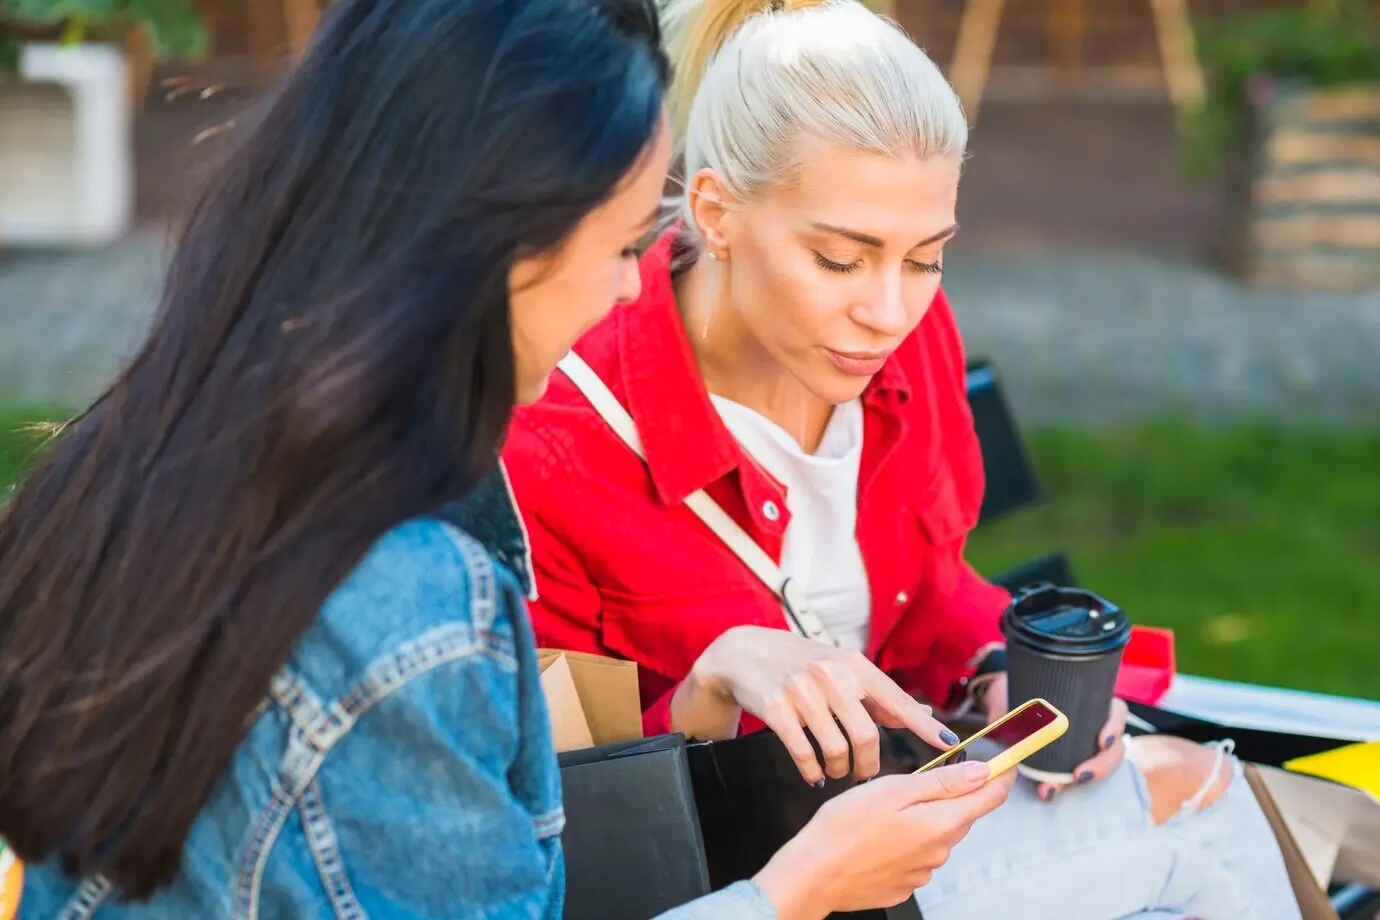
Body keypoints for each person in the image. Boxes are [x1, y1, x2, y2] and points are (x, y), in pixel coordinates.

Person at [0, 0, 1018, 917]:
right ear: (501, 247)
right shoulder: (412, 591)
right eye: (624, 247)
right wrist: (797, 889)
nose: (632, 295)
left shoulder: (160, 444)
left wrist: (703, 703)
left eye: (923, 258)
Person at [501, 1, 1306, 917]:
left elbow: (924, 596)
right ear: (717, 214)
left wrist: (997, 667)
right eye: (842, 260)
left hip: (904, 816)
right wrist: (706, 690)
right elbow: (552, 806)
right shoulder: (556, 441)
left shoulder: (902, 347)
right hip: (756, 883)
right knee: (1200, 811)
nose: (889, 311)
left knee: (1199, 802)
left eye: (926, 259)